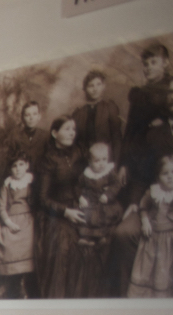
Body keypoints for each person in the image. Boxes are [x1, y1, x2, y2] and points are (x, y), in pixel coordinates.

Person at [110, 43, 172, 295]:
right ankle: (130, 297)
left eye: (154, 62)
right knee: (124, 234)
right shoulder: (140, 95)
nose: (148, 67)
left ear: (166, 63)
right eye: (145, 63)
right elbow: (132, 133)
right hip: (146, 178)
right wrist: (124, 163)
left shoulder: (170, 88)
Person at [36, 117, 86, 299]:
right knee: (64, 245)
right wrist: (66, 212)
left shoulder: (79, 152)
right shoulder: (48, 159)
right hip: (55, 213)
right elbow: (42, 199)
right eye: (66, 129)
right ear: (54, 133)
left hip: (78, 204)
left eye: (73, 128)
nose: (72, 132)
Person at [69, 141, 124, 297]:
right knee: (87, 217)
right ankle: (88, 238)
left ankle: (102, 238)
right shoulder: (86, 174)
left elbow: (116, 185)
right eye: (96, 161)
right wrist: (81, 197)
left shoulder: (109, 172)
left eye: (104, 160)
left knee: (105, 219)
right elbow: (78, 187)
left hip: (105, 203)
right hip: (91, 203)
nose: (100, 164)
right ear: (90, 161)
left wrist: (108, 194)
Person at [0, 152, 35, 297]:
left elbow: (36, 202)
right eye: (14, 166)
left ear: (27, 165)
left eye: (21, 164)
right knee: (6, 241)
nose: (18, 169)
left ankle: (24, 283)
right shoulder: (7, 184)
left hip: (28, 220)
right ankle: (11, 283)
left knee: (29, 240)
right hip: (10, 218)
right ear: (10, 169)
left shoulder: (31, 182)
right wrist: (8, 222)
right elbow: (2, 206)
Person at [129, 154, 173, 298]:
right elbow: (143, 207)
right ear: (157, 176)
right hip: (153, 239)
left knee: (165, 271)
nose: (170, 177)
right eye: (165, 173)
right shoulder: (153, 191)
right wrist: (145, 221)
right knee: (147, 268)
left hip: (170, 240)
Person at [70, 70, 123, 167]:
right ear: (85, 89)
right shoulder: (78, 113)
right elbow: (75, 142)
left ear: (104, 86)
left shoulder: (109, 107)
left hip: (106, 159)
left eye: (98, 84)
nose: (95, 89)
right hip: (84, 160)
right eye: (91, 86)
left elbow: (116, 138)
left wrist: (115, 163)